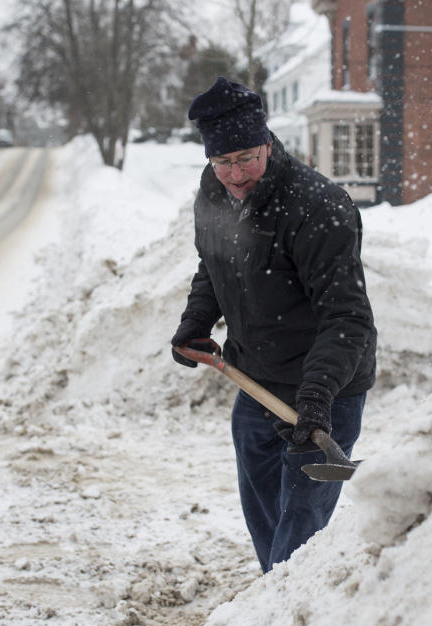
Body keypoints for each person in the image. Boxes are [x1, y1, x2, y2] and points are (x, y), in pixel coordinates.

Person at [171, 77, 377, 573]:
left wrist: (317, 395)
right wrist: (198, 319)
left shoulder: (317, 206)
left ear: (267, 143)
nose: (235, 175)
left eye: (246, 158)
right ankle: (275, 613)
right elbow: (214, 265)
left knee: (300, 532)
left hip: (325, 393)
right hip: (256, 383)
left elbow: (347, 317)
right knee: (266, 522)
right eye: (222, 162)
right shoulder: (214, 193)